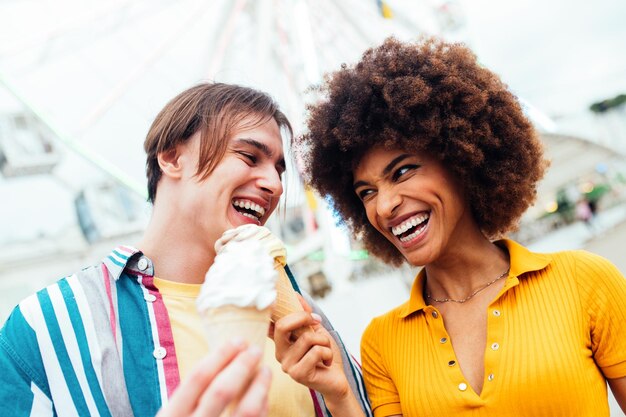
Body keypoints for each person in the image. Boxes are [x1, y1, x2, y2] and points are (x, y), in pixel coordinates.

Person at [273, 37, 626, 416]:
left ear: (460, 158)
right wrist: (340, 396)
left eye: (403, 171)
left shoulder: (585, 282)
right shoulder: (382, 342)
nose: (385, 205)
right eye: (367, 192)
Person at [0, 83, 370, 416]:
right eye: (249, 156)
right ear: (172, 158)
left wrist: (340, 398)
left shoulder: (307, 317)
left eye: (279, 169)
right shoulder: (48, 326)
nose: (274, 184)